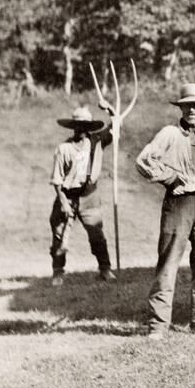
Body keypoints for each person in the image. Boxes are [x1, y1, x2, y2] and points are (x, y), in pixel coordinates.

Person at [135, 83, 195, 337]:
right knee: (169, 263)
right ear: (180, 107)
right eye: (187, 105)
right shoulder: (169, 133)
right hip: (178, 204)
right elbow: (143, 161)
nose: (192, 109)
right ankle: (158, 326)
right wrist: (169, 178)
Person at [48, 105, 115, 285]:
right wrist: (63, 202)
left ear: (90, 127)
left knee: (96, 235)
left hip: (89, 197)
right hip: (67, 196)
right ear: (73, 127)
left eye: (85, 125)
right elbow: (56, 180)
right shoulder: (64, 149)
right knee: (59, 235)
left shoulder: (97, 142)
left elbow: (115, 126)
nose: (81, 129)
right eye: (77, 125)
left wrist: (111, 111)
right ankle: (58, 272)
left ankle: (105, 269)